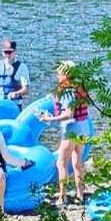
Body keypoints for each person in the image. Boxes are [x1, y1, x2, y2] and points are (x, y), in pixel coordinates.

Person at [37, 61, 93, 206]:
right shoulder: (79, 86)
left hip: (72, 127)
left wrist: (49, 118)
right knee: (77, 161)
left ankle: (63, 197)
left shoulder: (66, 91)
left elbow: (69, 114)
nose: (57, 75)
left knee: (61, 162)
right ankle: (80, 194)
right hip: (84, 126)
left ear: (66, 75)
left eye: (59, 73)